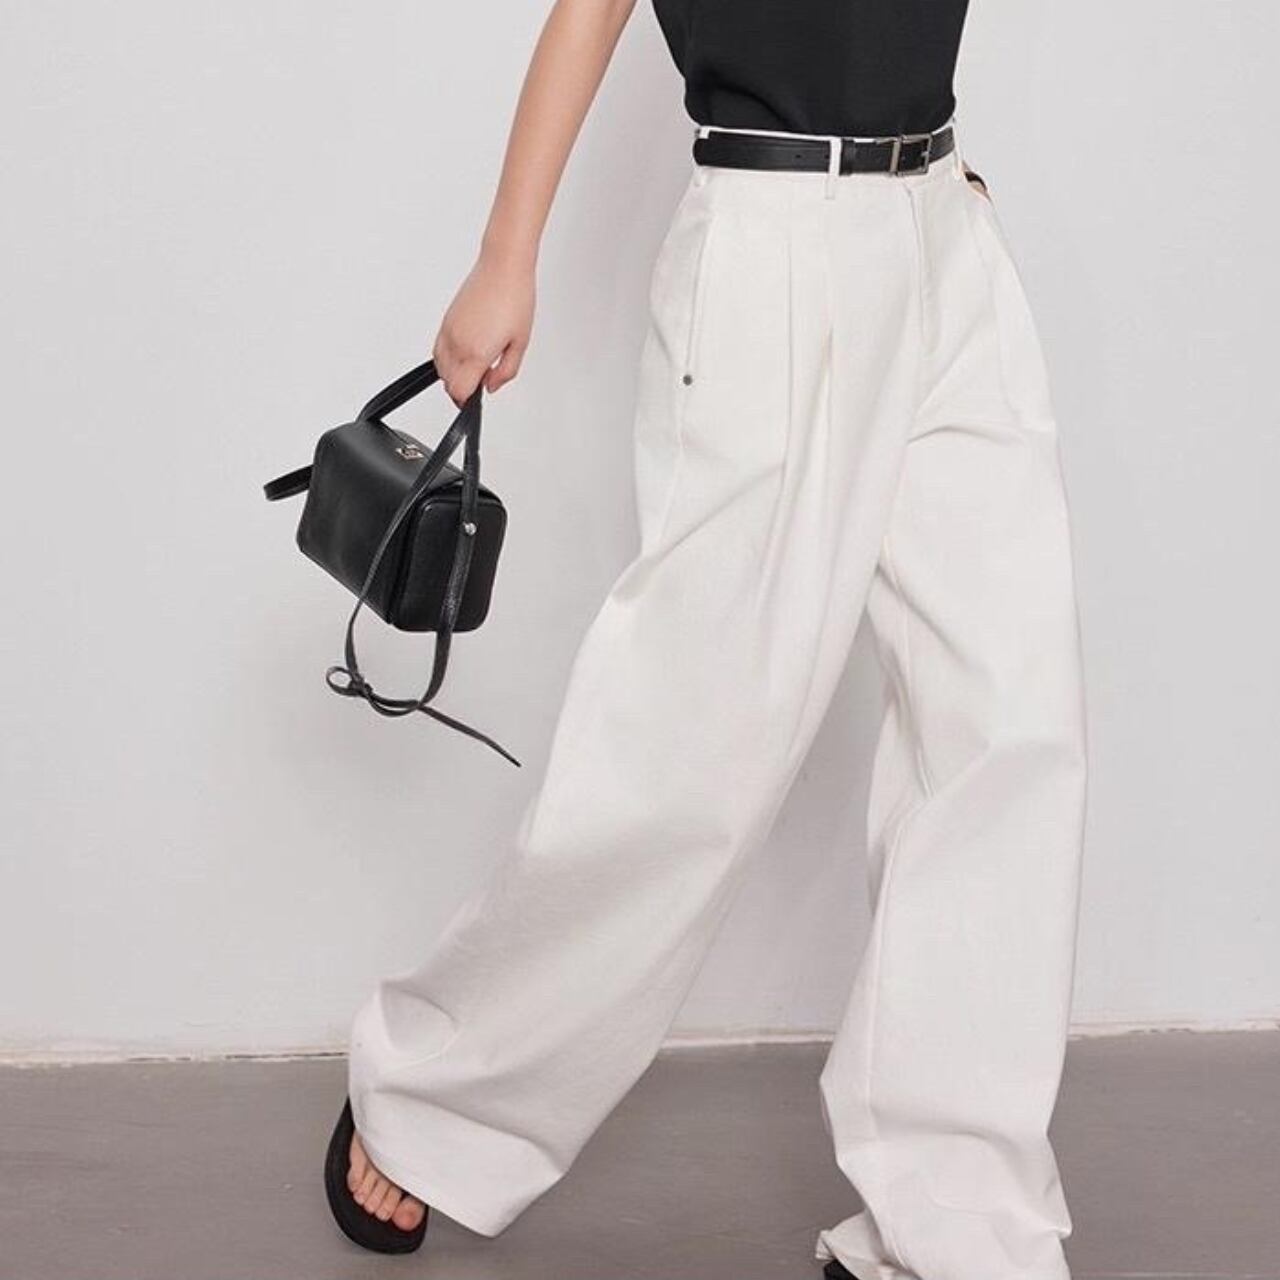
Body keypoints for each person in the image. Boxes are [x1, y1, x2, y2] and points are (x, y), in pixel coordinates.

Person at [322, 2, 1090, 1277]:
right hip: (775, 242)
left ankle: (951, 1213)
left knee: (1007, 723)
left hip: (941, 229)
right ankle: (438, 1094)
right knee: (692, 745)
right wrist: (505, 255)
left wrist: (929, 196)